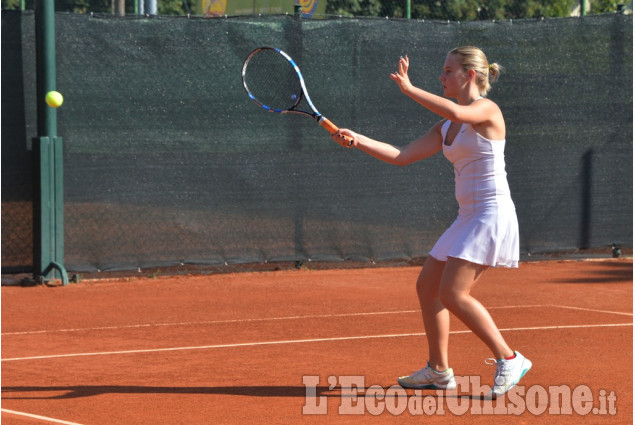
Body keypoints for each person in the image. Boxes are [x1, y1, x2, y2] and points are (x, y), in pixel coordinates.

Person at [331, 46, 531, 398]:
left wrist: (409, 90)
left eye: (448, 71)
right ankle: (438, 371)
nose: (441, 77)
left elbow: (457, 108)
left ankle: (510, 357)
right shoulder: (446, 127)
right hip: (467, 216)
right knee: (428, 287)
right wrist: (357, 139)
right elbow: (402, 156)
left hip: (491, 213)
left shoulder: (486, 110)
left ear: (470, 74)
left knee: (453, 293)